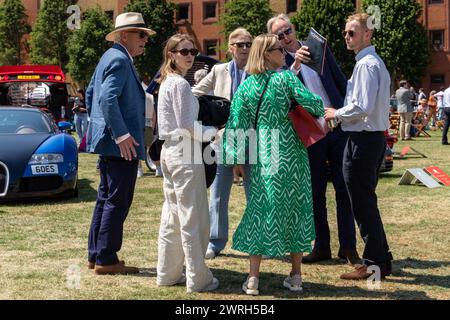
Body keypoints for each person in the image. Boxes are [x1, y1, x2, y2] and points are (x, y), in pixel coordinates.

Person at [222, 34, 324, 295]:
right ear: (267, 54)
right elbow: (315, 104)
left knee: (260, 210)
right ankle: (296, 276)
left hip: (265, 151)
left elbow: (236, 127)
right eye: (280, 49)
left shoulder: (246, 86)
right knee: (296, 210)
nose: (285, 53)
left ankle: (253, 279)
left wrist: (235, 160)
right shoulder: (286, 78)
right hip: (292, 152)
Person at [267, 14, 359, 264]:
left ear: (294, 29)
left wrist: (346, 112)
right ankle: (322, 246)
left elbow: (339, 79)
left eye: (288, 31)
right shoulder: (279, 62)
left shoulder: (317, 48)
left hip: (336, 124)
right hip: (310, 131)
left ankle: (349, 247)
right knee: (316, 191)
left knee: (344, 187)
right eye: (280, 35)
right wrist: (295, 64)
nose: (286, 37)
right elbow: (282, 90)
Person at [85, 12, 155, 275]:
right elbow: (105, 99)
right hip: (120, 144)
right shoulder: (119, 59)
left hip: (111, 142)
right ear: (124, 35)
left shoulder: (110, 57)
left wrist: (104, 130)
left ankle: (97, 255)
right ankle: (106, 258)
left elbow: (92, 93)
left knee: (106, 198)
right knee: (117, 200)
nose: (145, 41)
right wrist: (121, 134)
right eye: (141, 35)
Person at [325, 13, 393, 280]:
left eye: (352, 32)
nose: (346, 37)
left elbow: (361, 107)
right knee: (366, 203)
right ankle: (381, 261)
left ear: (368, 34)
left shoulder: (367, 64)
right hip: (368, 140)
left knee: (363, 204)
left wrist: (335, 113)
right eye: (345, 32)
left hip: (363, 141)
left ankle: (374, 263)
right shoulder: (370, 62)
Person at [156, 34, 220, 293]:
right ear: (171, 53)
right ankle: (198, 278)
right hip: (183, 151)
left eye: (192, 51)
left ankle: (168, 273)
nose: (190, 55)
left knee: (172, 216)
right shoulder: (179, 84)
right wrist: (213, 132)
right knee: (194, 218)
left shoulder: (167, 82)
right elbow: (186, 125)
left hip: (171, 151)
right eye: (184, 51)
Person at [192, 27, 253, 260]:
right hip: (222, 140)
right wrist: (209, 115)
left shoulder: (259, 70)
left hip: (251, 139)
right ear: (230, 48)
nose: (245, 48)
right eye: (240, 44)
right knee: (218, 194)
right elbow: (195, 93)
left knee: (254, 194)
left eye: (248, 44)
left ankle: (255, 242)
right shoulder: (219, 70)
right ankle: (215, 242)